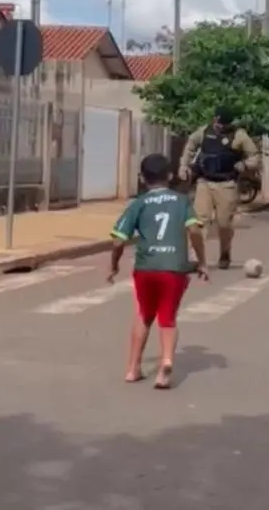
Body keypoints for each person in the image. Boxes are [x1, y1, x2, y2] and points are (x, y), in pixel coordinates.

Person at [108, 153, 209, 389]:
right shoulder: (182, 201)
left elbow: (118, 240)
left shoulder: (138, 204)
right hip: (174, 268)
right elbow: (195, 231)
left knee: (144, 314)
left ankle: (133, 368)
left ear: (142, 178)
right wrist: (201, 261)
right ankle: (166, 362)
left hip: (145, 268)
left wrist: (113, 266)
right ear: (170, 176)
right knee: (167, 317)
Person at [178, 106, 260, 269]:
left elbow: (254, 156)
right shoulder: (204, 132)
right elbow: (190, 146)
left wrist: (245, 164)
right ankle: (196, 258)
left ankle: (225, 252)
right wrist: (183, 166)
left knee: (224, 223)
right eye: (218, 121)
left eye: (223, 123)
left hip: (226, 184)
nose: (219, 125)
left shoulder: (239, 136)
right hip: (204, 181)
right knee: (200, 220)